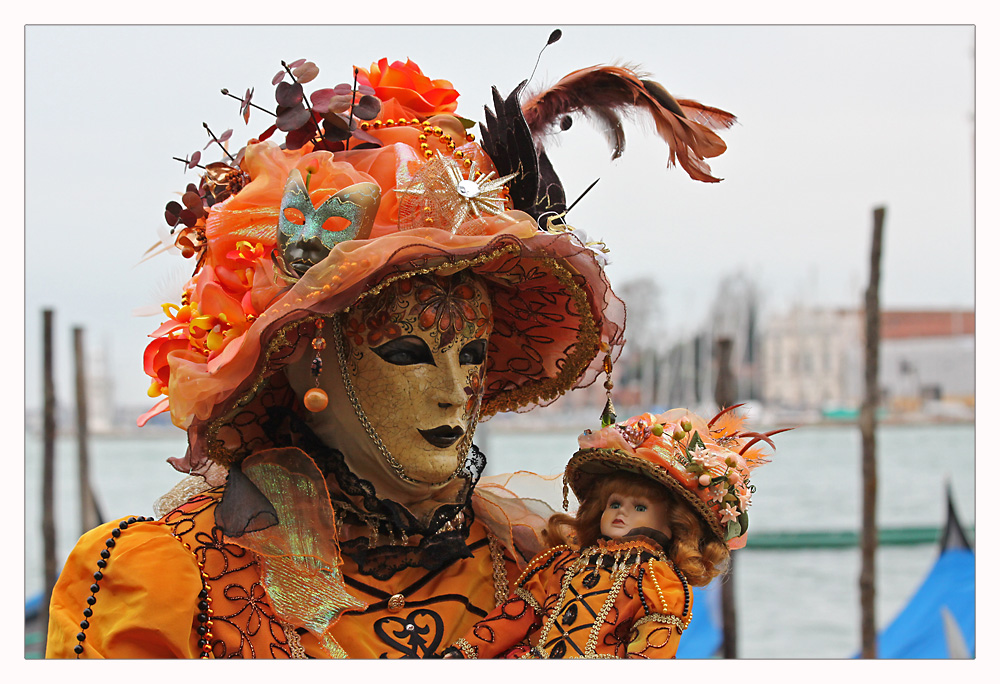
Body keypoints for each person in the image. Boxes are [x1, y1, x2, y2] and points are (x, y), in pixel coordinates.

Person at [45, 49, 734, 659]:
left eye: (471, 354)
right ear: (304, 357)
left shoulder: (539, 561)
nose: (456, 391)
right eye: (409, 353)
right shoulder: (171, 577)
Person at [443, 407, 779, 659]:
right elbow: (514, 616)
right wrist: (462, 655)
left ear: (673, 524)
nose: (621, 512)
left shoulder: (658, 578)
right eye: (615, 502)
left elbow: (652, 649)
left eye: (640, 507)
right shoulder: (560, 562)